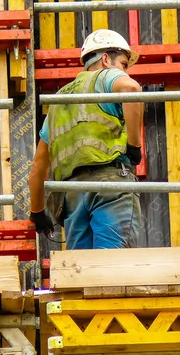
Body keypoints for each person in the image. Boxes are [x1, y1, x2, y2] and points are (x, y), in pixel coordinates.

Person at [29, 29, 144, 250]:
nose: (124, 71)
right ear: (105, 59)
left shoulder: (59, 100)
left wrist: (37, 211)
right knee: (112, 268)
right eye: (123, 64)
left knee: (80, 272)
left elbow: (38, 166)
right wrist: (134, 145)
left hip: (73, 196)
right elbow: (131, 89)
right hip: (110, 187)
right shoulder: (106, 75)